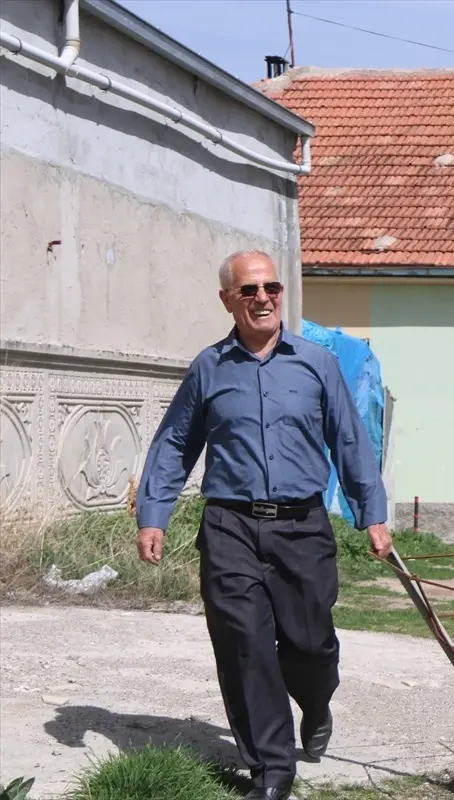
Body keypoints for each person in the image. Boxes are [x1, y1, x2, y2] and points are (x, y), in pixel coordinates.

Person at [134, 250, 392, 800]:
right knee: (244, 645)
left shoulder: (317, 363)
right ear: (228, 299)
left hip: (302, 527)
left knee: (310, 644)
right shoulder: (209, 367)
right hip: (229, 526)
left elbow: (349, 439)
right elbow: (176, 442)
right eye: (248, 290)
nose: (263, 298)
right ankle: (272, 772)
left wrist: (372, 513)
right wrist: (154, 514)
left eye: (271, 287)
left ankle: (316, 702)